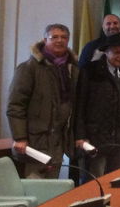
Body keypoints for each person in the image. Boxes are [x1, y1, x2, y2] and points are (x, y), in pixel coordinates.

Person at [7, 24, 79, 178]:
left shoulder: (72, 69)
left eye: (64, 37)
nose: (59, 40)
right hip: (34, 142)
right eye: (54, 37)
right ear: (45, 39)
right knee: (36, 188)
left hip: (58, 141)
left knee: (52, 190)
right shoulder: (29, 68)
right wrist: (20, 137)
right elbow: (15, 105)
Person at [75, 34, 120, 179]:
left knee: (116, 178)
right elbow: (80, 105)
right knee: (95, 180)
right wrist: (80, 136)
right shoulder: (90, 71)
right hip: (96, 134)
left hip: (119, 135)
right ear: (106, 52)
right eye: (116, 52)